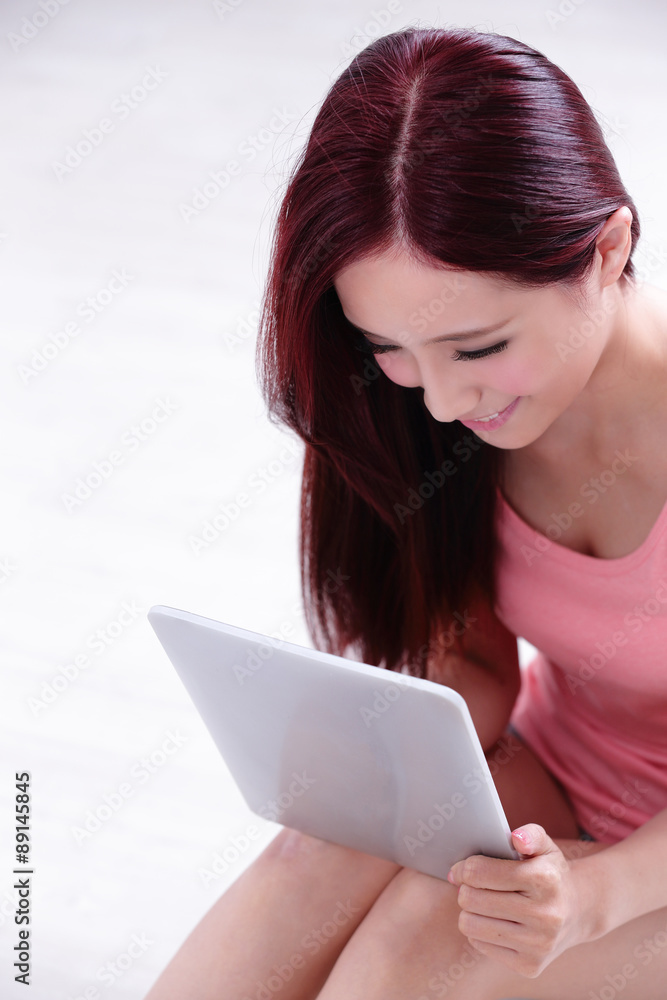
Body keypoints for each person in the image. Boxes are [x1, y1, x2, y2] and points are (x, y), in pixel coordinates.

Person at [144, 25, 667, 999]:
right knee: (323, 852)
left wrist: (588, 897)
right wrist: (386, 748)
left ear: (607, 248)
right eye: (391, 348)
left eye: (476, 346)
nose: (436, 400)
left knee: (417, 943)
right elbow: (471, 662)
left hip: (648, 880)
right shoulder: (458, 424)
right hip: (557, 786)